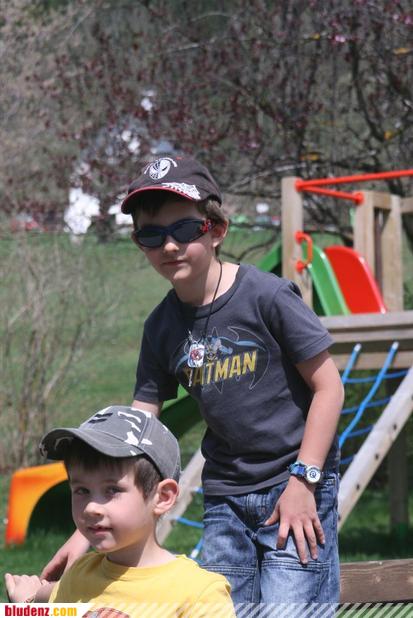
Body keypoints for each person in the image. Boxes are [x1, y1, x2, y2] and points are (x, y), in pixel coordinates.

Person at [41, 156, 344, 609]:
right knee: (220, 608)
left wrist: (305, 481)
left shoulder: (268, 297)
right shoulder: (161, 327)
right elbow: (137, 431)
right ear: (138, 242)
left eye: (184, 230)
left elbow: (329, 387)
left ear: (215, 229)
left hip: (294, 480)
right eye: (151, 235)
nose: (169, 245)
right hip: (225, 497)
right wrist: (83, 533)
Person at [5, 405, 234, 617]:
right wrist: (26, 603)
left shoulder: (199, 595)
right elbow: (46, 602)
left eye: (112, 490)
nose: (91, 507)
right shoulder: (77, 577)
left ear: (162, 497)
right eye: (82, 490)